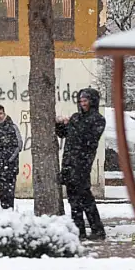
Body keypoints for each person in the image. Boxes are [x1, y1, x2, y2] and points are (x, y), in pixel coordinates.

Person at [56, 88, 107, 240]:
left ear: (93, 101)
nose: (83, 104)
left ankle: (97, 229)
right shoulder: (76, 117)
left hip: (82, 163)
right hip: (69, 163)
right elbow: (64, 133)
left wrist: (71, 125)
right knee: (73, 200)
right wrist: (59, 123)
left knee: (85, 197)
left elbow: (88, 138)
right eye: (81, 101)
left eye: (86, 101)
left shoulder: (97, 119)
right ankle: (79, 230)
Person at [0, 104, 23, 210]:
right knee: (2, 192)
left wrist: (9, 160)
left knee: (9, 192)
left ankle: (10, 211)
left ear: (4, 113)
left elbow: (19, 145)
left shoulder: (12, 127)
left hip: (10, 167)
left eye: (0, 113)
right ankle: (4, 212)